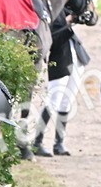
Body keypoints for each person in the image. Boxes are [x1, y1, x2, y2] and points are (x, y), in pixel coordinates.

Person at [30, 13, 85, 157]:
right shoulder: (51, 10)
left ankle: (59, 143)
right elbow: (50, 37)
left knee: (67, 102)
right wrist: (67, 22)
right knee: (53, 101)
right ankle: (37, 142)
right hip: (59, 60)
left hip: (76, 58)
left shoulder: (67, 7)